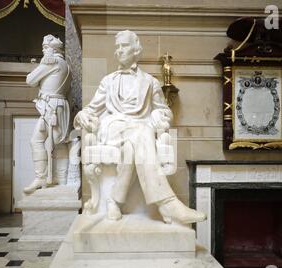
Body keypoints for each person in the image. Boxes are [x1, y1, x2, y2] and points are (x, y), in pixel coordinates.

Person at [74, 30, 206, 224]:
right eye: (117, 47)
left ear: (136, 50)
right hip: (114, 128)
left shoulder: (150, 83)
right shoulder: (108, 81)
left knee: (131, 148)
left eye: (124, 46)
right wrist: (81, 115)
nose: (119, 50)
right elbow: (90, 110)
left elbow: (164, 112)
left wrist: (157, 116)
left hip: (136, 133)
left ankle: (114, 200)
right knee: (143, 132)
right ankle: (167, 204)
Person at [23, 35, 72, 194]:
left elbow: (30, 80)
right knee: (59, 143)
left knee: (36, 140)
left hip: (50, 107)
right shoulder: (66, 65)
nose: (43, 50)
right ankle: (61, 180)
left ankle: (41, 178)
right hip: (60, 106)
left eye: (45, 48)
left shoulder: (51, 61)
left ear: (53, 49)